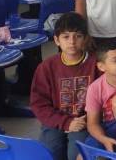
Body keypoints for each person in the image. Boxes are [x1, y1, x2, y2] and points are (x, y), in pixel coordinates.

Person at [30, 13, 101, 160]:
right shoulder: (46, 67)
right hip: (55, 120)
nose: (72, 42)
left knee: (76, 155)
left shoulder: (97, 64)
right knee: (49, 154)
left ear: (85, 39)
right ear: (57, 40)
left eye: (78, 36)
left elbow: (105, 96)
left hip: (84, 121)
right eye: (66, 37)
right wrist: (66, 122)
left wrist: (90, 119)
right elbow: (39, 104)